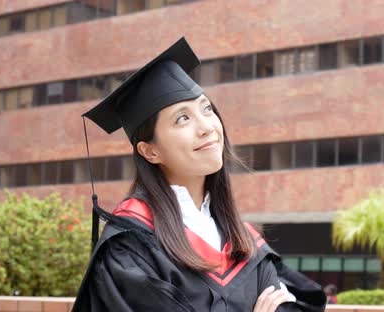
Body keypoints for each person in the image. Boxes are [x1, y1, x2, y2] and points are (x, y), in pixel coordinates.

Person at [71, 37, 326, 311]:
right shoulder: (130, 247)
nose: (206, 127)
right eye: (182, 118)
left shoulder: (244, 242)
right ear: (150, 151)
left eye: (206, 109)